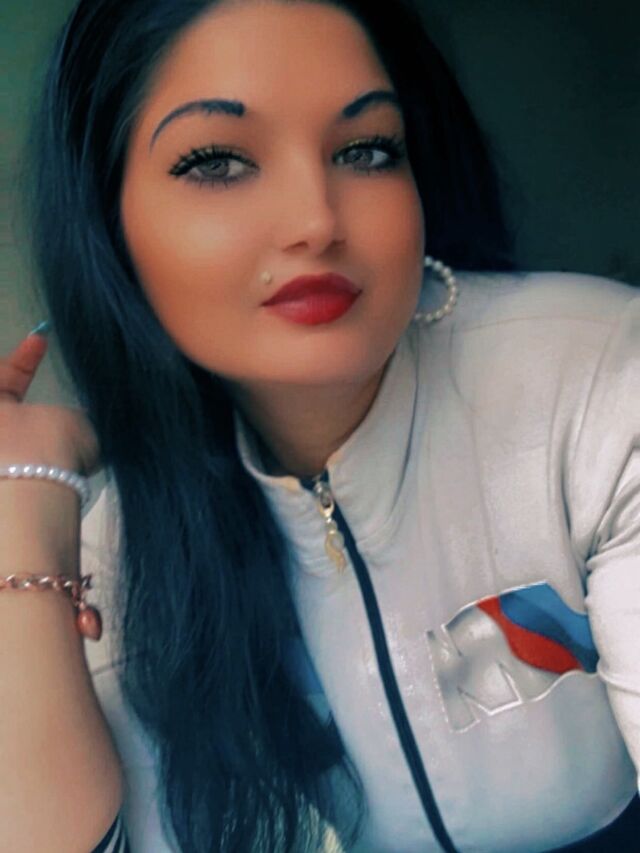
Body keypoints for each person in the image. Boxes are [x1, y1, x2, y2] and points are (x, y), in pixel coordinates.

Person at [1, 0, 639, 850]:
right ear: (108, 223)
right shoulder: (105, 550)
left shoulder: (595, 378)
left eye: (366, 150)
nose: (317, 220)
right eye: (218, 161)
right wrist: (20, 508)